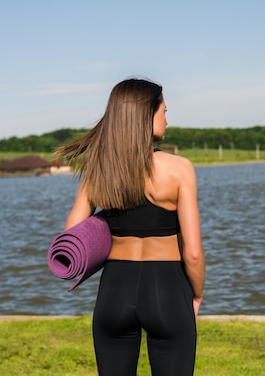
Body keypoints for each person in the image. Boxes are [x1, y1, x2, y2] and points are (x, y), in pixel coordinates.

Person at [54, 78, 205, 375]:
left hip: (114, 292)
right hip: (167, 290)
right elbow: (193, 254)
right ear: (145, 116)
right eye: (163, 110)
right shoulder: (179, 169)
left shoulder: (99, 170)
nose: (166, 118)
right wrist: (197, 295)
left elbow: (70, 237)